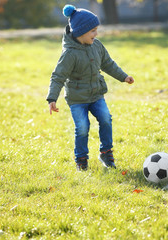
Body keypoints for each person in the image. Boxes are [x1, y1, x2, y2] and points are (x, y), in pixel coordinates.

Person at [46, 4, 135, 171]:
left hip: (96, 95)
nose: (96, 33)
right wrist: (52, 98)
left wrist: (123, 76)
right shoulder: (69, 54)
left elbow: (108, 64)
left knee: (106, 119)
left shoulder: (97, 45)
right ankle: (81, 160)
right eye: (93, 30)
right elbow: (58, 76)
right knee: (82, 128)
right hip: (77, 99)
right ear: (80, 32)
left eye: (96, 29)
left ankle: (106, 153)